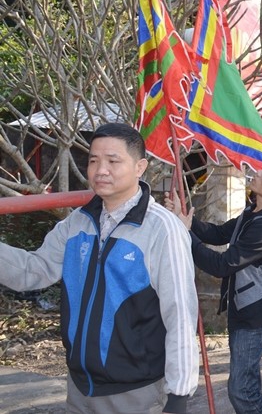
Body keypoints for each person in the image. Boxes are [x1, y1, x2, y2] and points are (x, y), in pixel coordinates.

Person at [0, 123, 198, 413]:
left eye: (113, 161)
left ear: (140, 166)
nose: (100, 169)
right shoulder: (78, 222)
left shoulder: (161, 229)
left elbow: (180, 314)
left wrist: (178, 395)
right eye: (93, 160)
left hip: (135, 392)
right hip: (80, 388)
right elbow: (35, 268)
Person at [166, 155, 262, 414]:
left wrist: (185, 234)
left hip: (254, 315)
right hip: (242, 309)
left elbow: (221, 265)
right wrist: (185, 218)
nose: (257, 172)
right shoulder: (253, 212)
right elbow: (217, 234)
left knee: (242, 391)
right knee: (247, 384)